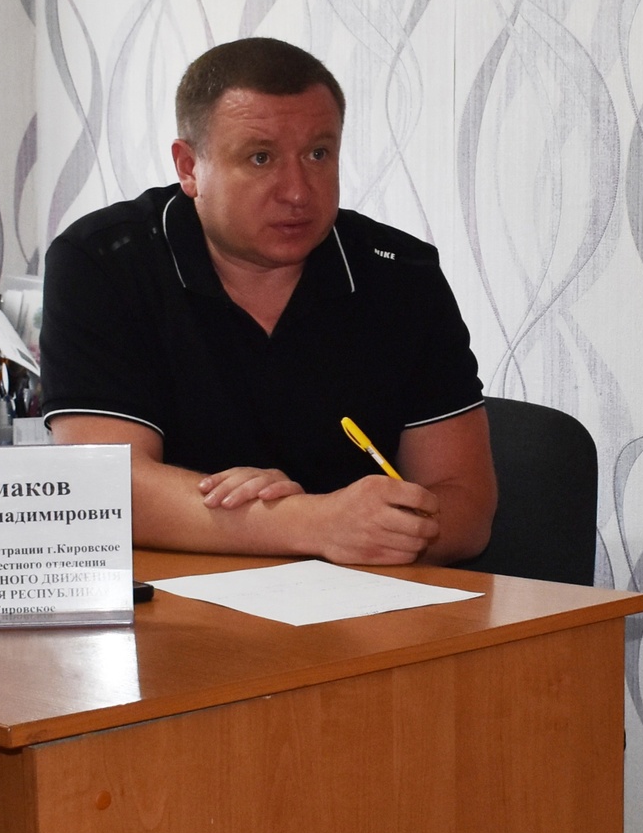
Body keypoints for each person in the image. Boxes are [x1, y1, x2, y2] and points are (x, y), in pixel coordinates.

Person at [40, 37, 496, 564]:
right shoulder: (104, 261)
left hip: (365, 599)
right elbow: (101, 489)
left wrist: (383, 527)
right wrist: (311, 523)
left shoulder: (400, 273)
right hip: (180, 598)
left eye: (318, 154)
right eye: (260, 158)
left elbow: (467, 508)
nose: (297, 191)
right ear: (189, 167)